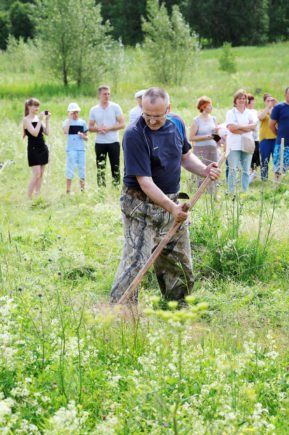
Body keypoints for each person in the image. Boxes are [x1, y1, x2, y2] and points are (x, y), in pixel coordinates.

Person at [110, 87, 220, 305]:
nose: (151, 121)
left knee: (178, 261)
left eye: (157, 116)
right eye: (147, 115)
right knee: (135, 262)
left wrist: (205, 170)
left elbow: (186, 157)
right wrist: (173, 208)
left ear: (168, 110)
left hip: (171, 204)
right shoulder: (134, 134)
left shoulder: (176, 124)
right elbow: (145, 183)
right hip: (139, 206)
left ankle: (178, 307)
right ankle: (122, 311)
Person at [89, 85, 125, 186]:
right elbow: (90, 127)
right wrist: (98, 129)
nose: (107, 96)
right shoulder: (94, 110)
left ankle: (116, 187)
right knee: (100, 167)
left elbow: (122, 124)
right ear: (99, 95)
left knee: (115, 166)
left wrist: (109, 128)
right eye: (105, 94)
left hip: (113, 142)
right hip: (100, 142)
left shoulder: (115, 107)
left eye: (108, 94)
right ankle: (101, 189)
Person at [225, 89, 256, 195]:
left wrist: (239, 126)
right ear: (235, 100)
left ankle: (244, 191)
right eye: (239, 98)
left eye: (243, 98)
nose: (242, 100)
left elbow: (253, 127)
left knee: (246, 170)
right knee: (232, 169)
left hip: (247, 144)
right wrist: (246, 127)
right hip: (234, 145)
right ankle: (231, 192)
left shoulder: (250, 113)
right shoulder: (231, 113)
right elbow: (231, 129)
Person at [189, 96, 219, 194]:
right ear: (203, 106)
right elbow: (191, 137)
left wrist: (219, 138)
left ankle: (212, 192)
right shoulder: (197, 120)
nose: (211, 107)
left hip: (213, 149)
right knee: (200, 169)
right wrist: (205, 137)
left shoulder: (213, 119)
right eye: (209, 105)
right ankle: (198, 191)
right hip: (200, 149)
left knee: (213, 169)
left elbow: (216, 136)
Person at [23, 98, 50, 199]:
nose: (37, 108)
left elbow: (47, 132)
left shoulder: (38, 119)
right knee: (36, 174)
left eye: (38, 106)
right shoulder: (26, 120)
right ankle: (29, 197)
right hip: (33, 149)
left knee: (41, 174)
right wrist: (39, 120)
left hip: (43, 147)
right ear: (29, 107)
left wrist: (46, 120)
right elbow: (34, 133)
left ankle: (37, 195)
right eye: (34, 106)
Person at [63, 102, 88, 194]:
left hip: (81, 149)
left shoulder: (83, 122)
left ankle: (82, 189)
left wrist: (83, 136)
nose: (75, 114)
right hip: (71, 149)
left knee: (82, 168)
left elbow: (87, 138)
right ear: (70, 113)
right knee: (70, 168)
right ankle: (68, 190)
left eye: (77, 112)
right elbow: (65, 131)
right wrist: (69, 119)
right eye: (73, 112)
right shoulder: (66, 122)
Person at [269, 86, 289, 181]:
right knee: (278, 169)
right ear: (285, 94)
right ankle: (277, 187)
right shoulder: (278, 107)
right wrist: (279, 134)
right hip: (282, 143)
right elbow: (271, 125)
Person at [258, 93, 277, 181]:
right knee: (264, 160)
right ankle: (264, 179)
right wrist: (268, 107)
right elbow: (261, 117)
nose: (270, 102)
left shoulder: (277, 112)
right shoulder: (263, 111)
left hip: (275, 139)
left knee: (276, 160)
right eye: (268, 101)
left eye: (271, 100)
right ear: (264, 102)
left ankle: (276, 178)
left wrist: (275, 106)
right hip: (265, 139)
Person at [246, 94, 260, 183]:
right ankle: (249, 177)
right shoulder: (246, 112)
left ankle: (253, 174)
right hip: (249, 138)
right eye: (252, 100)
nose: (254, 102)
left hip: (256, 138)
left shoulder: (255, 111)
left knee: (255, 158)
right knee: (249, 158)